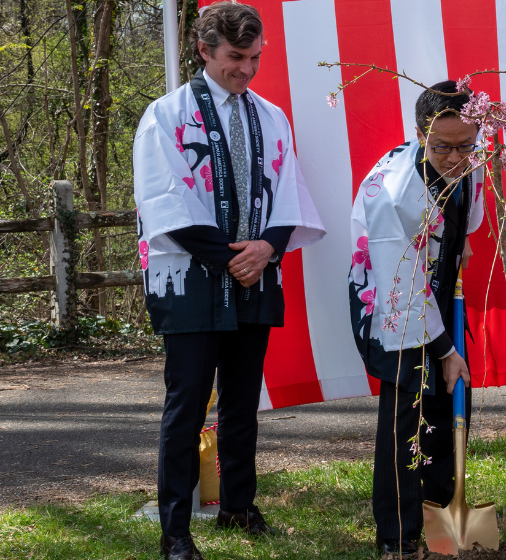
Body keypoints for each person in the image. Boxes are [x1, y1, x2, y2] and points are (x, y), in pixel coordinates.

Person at [133, 2, 325, 559]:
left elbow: (289, 190)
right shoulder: (165, 115)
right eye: (236, 57)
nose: (247, 69)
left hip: (255, 273)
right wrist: (231, 258)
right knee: (187, 402)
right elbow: (164, 197)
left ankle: (240, 505)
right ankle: (176, 530)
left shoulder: (270, 115)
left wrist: (267, 248)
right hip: (193, 277)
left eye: (255, 57)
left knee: (242, 400)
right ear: (205, 50)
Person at [348, 81, 483, 556]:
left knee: (447, 400)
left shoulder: (470, 153)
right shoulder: (394, 191)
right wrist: (444, 349)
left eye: (465, 144)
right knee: (410, 408)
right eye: (442, 146)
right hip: (392, 299)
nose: (454, 157)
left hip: (435, 280)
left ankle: (440, 508)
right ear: (419, 134)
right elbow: (399, 279)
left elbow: (469, 203)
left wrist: (458, 239)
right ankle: (398, 538)